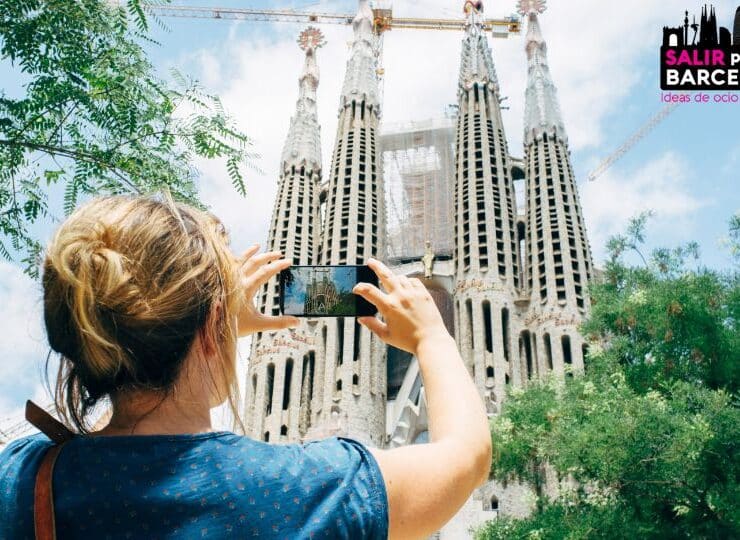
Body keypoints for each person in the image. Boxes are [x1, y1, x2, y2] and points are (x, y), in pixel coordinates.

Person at [0, 194, 492, 539]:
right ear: (213, 323)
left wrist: (205, 331)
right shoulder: (296, 490)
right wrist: (433, 336)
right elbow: (466, 458)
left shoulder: (20, 477)